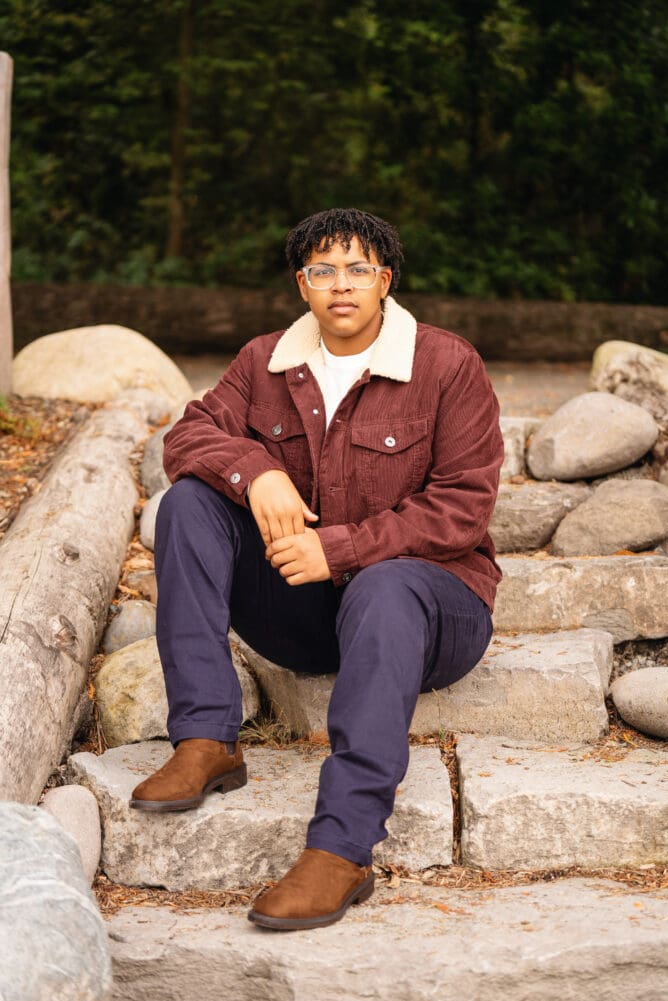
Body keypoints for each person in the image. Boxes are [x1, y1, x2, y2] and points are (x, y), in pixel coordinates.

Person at [130, 207, 503, 931]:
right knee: (187, 505)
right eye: (322, 270)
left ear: (384, 281)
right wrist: (254, 472)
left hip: (432, 615)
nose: (341, 285)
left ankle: (341, 845)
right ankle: (206, 738)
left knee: (387, 580)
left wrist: (339, 548)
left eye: (358, 269)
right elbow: (189, 435)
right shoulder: (265, 361)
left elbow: (462, 509)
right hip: (309, 620)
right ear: (302, 284)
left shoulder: (445, 364)